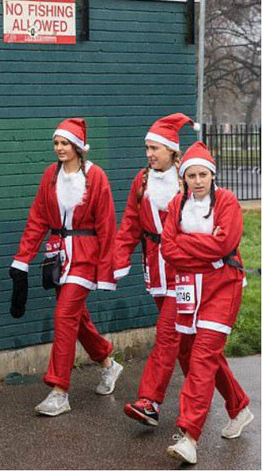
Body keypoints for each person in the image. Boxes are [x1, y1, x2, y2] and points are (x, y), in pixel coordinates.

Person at [9, 118, 121, 416]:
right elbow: (37, 219)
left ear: (78, 147)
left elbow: (107, 224)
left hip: (86, 256)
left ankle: (59, 391)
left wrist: (108, 268)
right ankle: (108, 363)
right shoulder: (50, 175)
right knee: (76, 318)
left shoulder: (96, 177)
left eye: (65, 143)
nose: (59, 148)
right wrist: (22, 258)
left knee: (64, 315)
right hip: (57, 255)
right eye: (56, 143)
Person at [161, 141, 252, 465]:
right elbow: (167, 249)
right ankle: (239, 406)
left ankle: (189, 437)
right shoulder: (176, 205)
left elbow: (225, 244)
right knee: (193, 352)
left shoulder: (227, 201)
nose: (198, 181)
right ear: (183, 178)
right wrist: (205, 245)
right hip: (189, 288)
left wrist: (188, 244)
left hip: (223, 287)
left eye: (203, 175)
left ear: (213, 176)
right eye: (192, 175)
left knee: (202, 357)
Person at [114, 113, 194, 426]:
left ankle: (150, 402)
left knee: (166, 335)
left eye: (155, 149)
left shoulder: (188, 180)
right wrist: (119, 261)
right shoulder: (142, 180)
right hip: (156, 269)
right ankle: (231, 399)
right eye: (147, 148)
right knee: (185, 341)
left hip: (184, 270)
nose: (149, 154)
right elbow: (130, 224)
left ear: (173, 152)